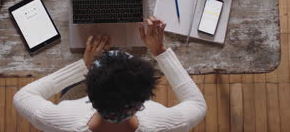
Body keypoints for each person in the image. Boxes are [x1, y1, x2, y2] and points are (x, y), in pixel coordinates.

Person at [13, 16, 207, 132]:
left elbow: (23, 96)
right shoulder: (164, 124)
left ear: (88, 94)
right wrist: (160, 51)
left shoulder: (62, 120)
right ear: (143, 101)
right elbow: (197, 104)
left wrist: (83, 64)